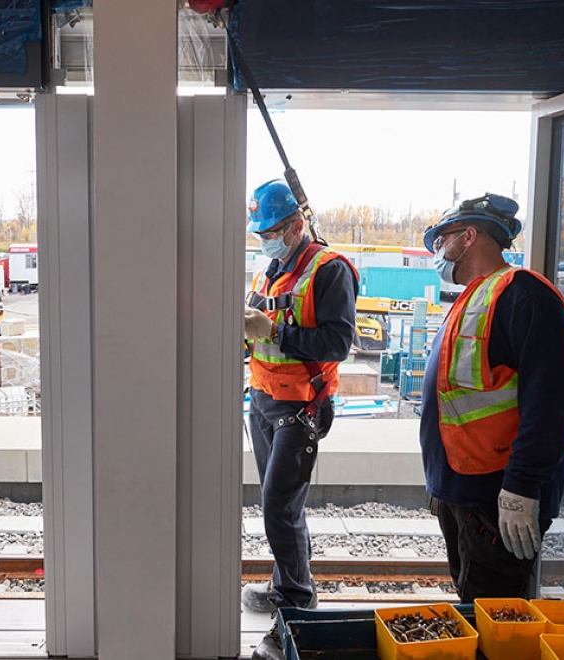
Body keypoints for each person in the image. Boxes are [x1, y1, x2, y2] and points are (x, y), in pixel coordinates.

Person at [419, 193, 564, 603]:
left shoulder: (525, 295)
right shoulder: (476, 297)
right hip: (464, 489)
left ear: (469, 237)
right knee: (474, 602)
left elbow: (550, 403)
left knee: (493, 611)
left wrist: (521, 488)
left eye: (442, 239)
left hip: (498, 496)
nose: (438, 251)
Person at [240, 179, 357, 660]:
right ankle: (285, 582)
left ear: (294, 226)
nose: (264, 240)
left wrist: (272, 330)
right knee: (286, 508)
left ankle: (296, 608)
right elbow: (258, 332)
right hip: (264, 400)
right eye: (260, 234)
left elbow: (337, 343)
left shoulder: (328, 271)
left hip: (299, 406)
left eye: (270, 232)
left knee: (278, 509)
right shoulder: (271, 269)